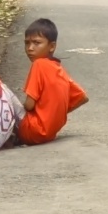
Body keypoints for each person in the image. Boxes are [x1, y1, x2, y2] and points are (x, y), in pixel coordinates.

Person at [18, 17, 87, 145]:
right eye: (27, 43)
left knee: (1, 90)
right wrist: (54, 112)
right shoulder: (59, 69)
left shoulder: (38, 64)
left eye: (36, 43)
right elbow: (82, 97)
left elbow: (29, 105)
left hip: (32, 131)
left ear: (52, 46)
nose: (30, 48)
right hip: (50, 134)